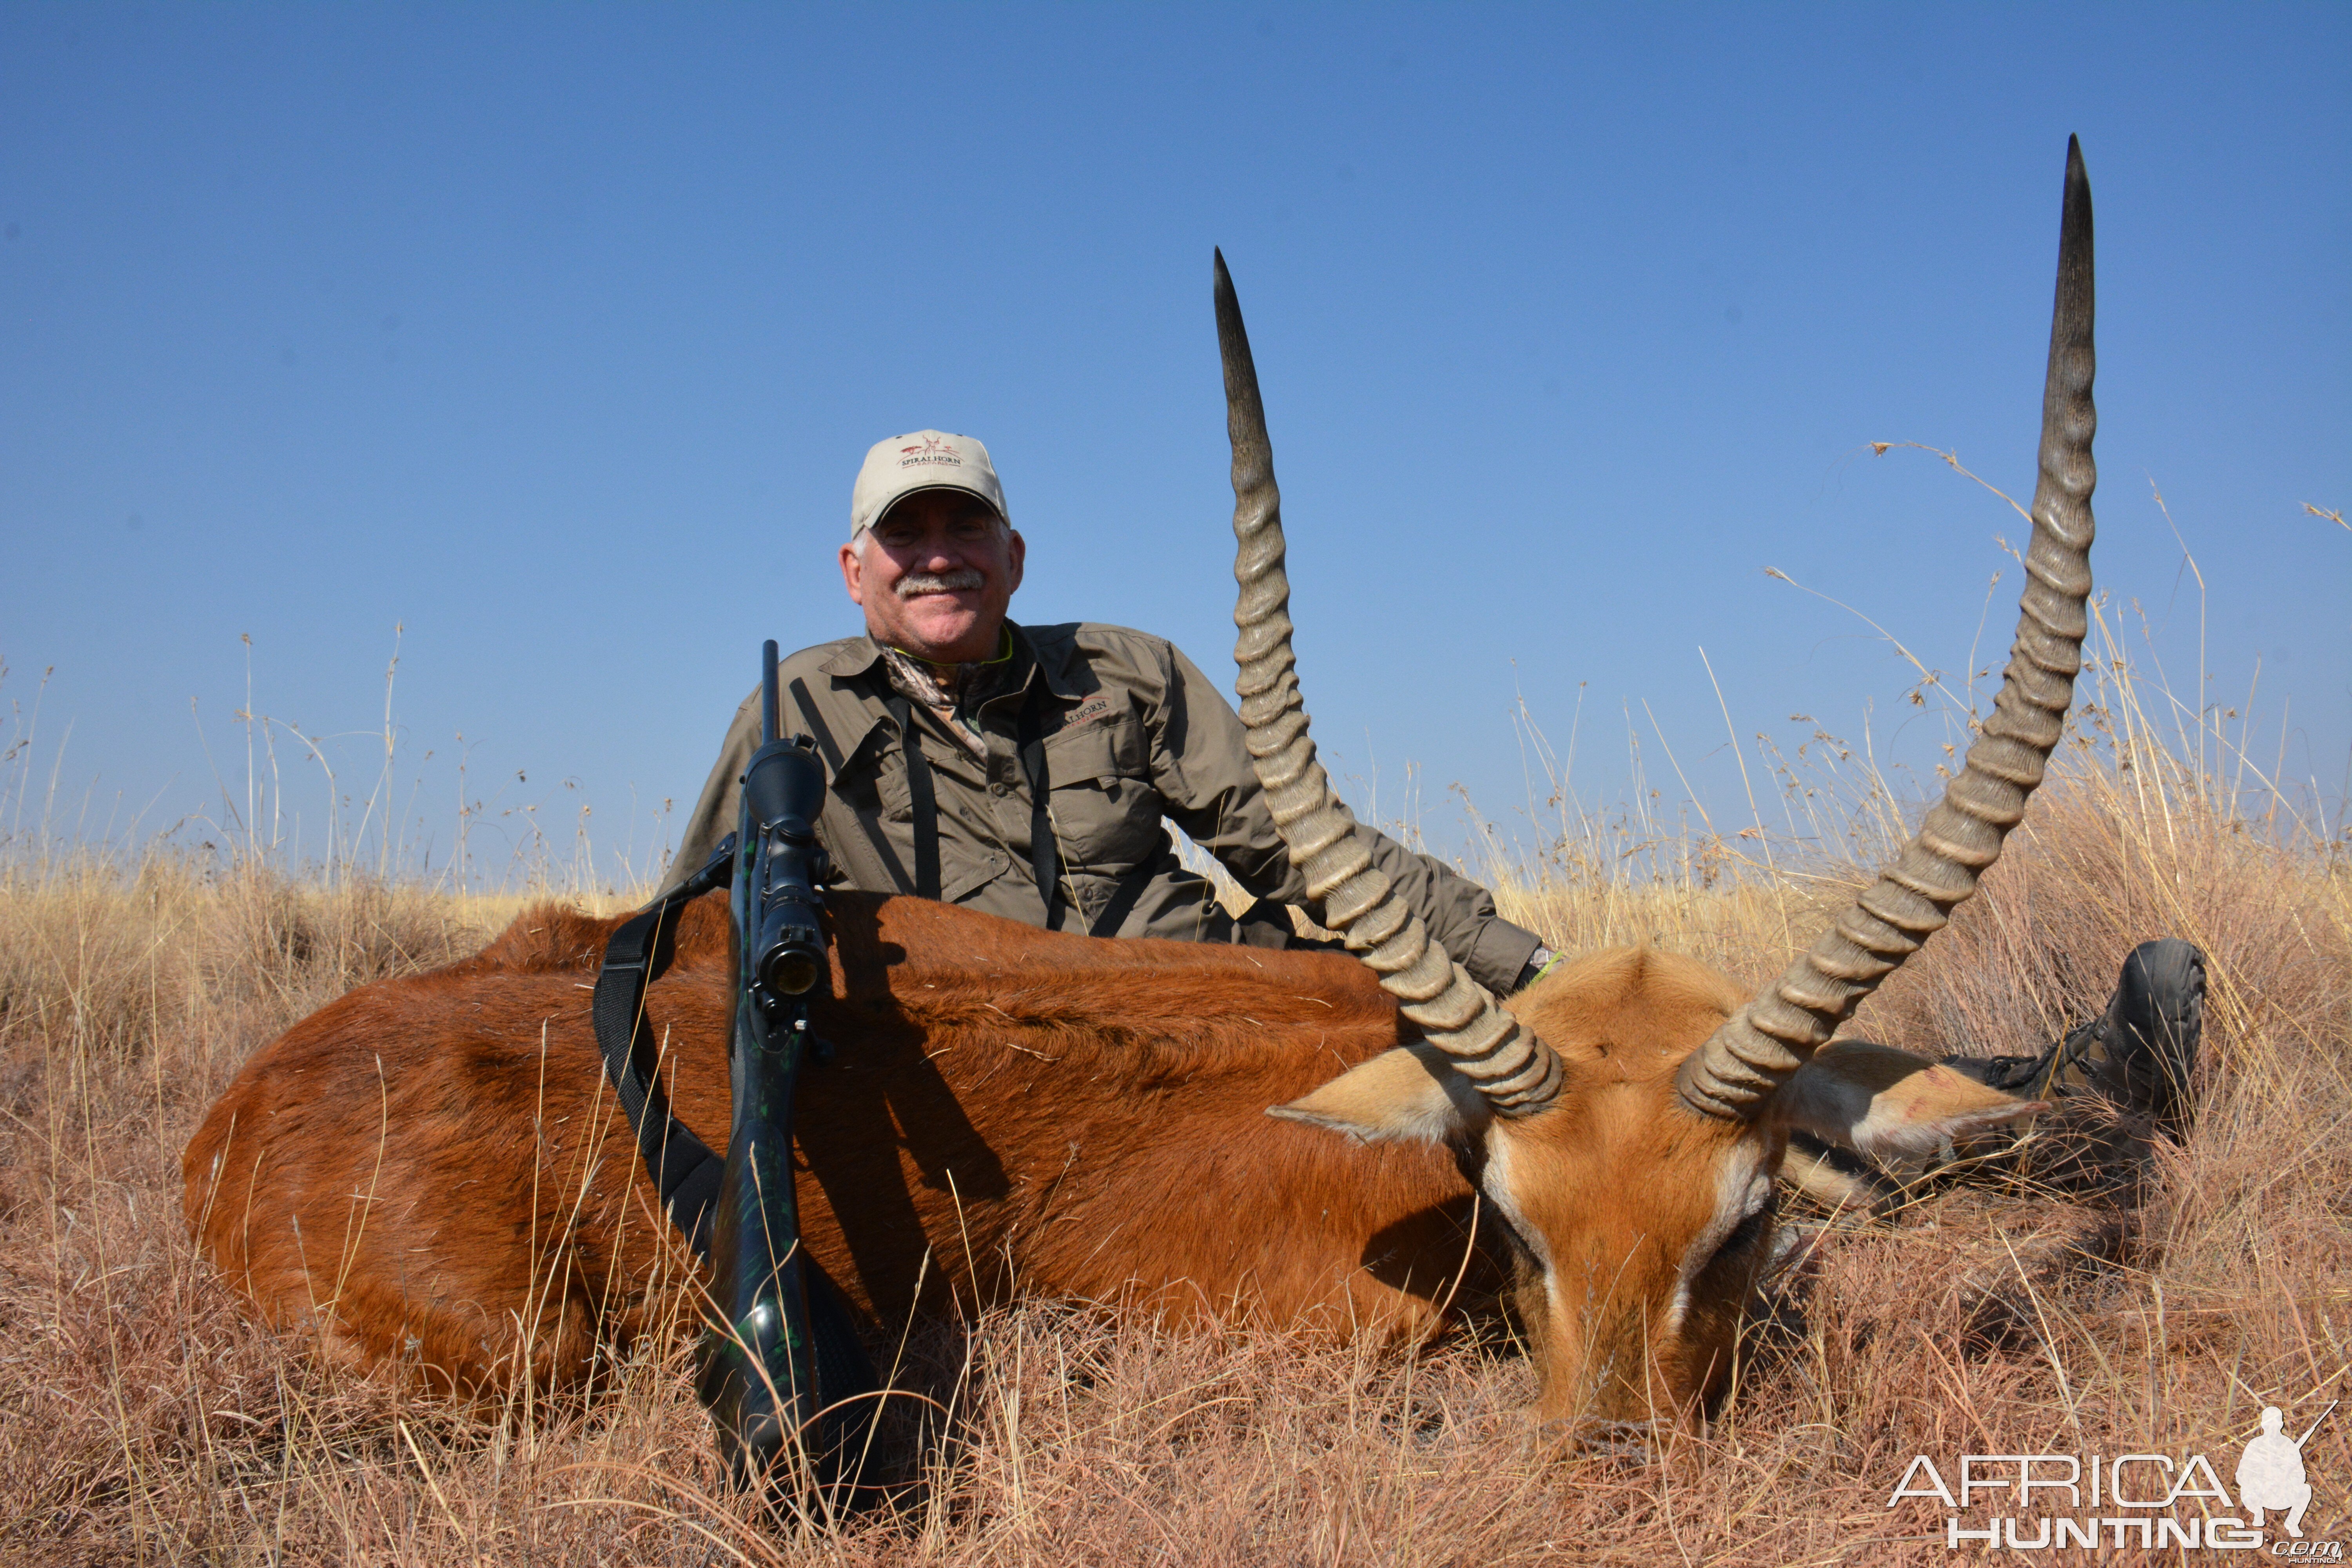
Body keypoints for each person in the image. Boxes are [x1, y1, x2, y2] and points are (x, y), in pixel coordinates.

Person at [657, 429, 1555, 997]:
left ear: (1012, 556)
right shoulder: (796, 709)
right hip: (981, 1044)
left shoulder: (1126, 672)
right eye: (906, 535)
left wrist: (1525, 968)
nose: (939, 558)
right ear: (855, 572)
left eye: (965, 529)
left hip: (1207, 1002)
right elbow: (690, 923)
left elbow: (1301, 845)